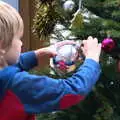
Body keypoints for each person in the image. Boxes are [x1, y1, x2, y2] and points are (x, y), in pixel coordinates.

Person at [0, 1, 101, 120]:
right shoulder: (19, 84)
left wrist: (38, 54)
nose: (21, 43)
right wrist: (92, 59)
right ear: (2, 45)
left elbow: (8, 66)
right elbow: (73, 90)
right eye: (18, 38)